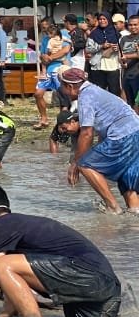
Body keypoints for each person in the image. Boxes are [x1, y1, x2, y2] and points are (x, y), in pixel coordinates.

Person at [0, 181, 122, 317]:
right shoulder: (18, 228)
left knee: (1, 265)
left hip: (87, 276)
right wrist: (5, 316)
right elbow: (11, 284)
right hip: (103, 289)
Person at [57, 66, 139, 213]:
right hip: (135, 132)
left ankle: (113, 207)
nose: (62, 92)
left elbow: (87, 133)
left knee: (86, 164)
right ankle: (133, 218)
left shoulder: (86, 96)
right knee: (126, 177)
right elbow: (101, 132)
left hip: (123, 135)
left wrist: (76, 163)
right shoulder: (97, 91)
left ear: (70, 86)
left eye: (62, 87)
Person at [120, 13, 139, 107]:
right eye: (130, 25)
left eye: (135, 24)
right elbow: (120, 55)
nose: (133, 27)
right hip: (127, 75)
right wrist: (122, 62)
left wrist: (127, 57)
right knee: (129, 102)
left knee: (137, 103)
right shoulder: (124, 39)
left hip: (137, 75)